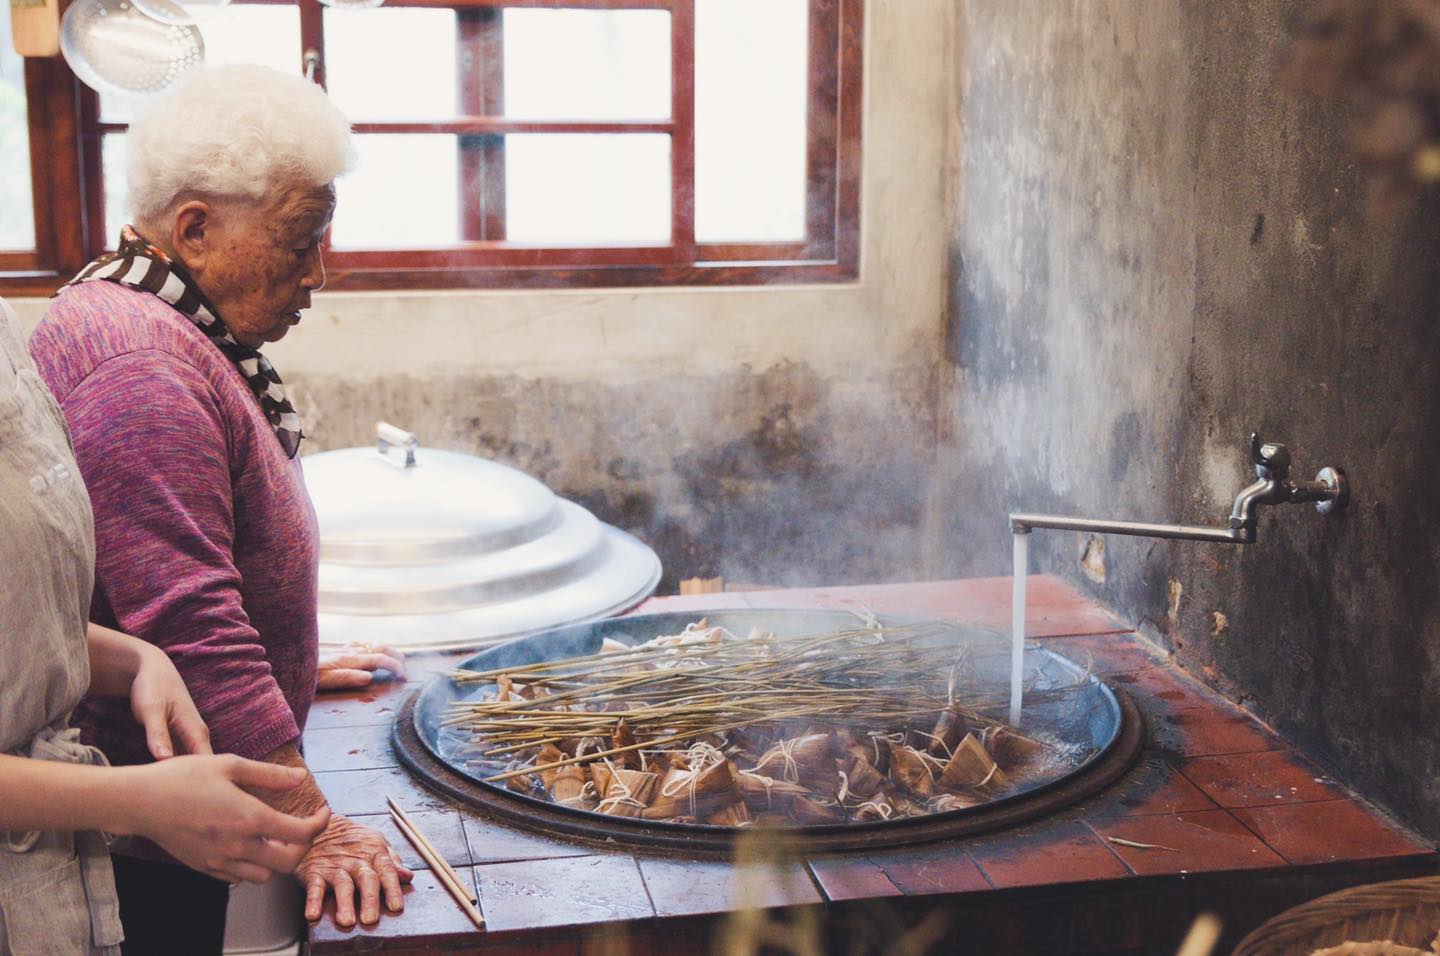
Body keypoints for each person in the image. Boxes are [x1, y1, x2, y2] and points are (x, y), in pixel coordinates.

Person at [28, 64, 412, 953]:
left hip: (170, 793)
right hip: (141, 831)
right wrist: (316, 823)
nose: (320, 272)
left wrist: (287, 664)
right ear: (195, 228)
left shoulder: (153, 317)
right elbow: (186, 613)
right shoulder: (141, 364)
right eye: (299, 239)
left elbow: (143, 574)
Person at [0, 294, 330, 955]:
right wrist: (130, 800)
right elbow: (186, 598)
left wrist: (135, 661)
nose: (316, 278)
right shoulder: (135, 364)